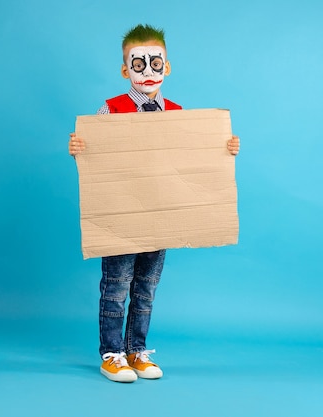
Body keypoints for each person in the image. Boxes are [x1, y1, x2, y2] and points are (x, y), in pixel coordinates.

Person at [68, 24, 240, 383]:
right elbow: (94, 158)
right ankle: (112, 353)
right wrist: (80, 149)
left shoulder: (178, 114)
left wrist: (223, 147)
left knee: (146, 287)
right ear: (125, 70)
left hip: (160, 216)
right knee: (116, 286)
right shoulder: (110, 110)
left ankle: (136, 348)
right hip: (120, 217)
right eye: (138, 64)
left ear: (168, 66)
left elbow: (194, 159)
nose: (147, 72)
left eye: (155, 63)